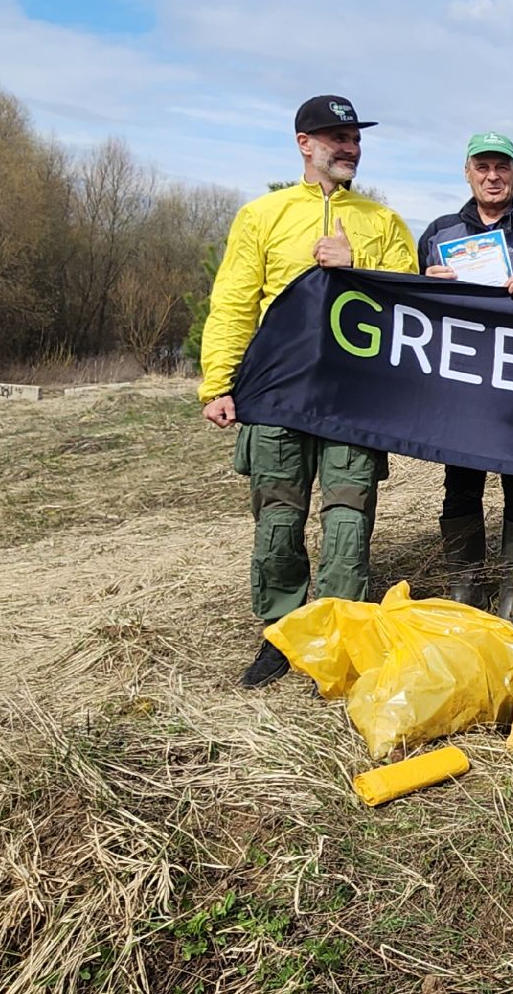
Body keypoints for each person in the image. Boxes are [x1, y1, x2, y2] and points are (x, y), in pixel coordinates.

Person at [200, 95, 418, 688]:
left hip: (354, 398)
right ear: (304, 144)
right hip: (276, 392)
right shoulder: (261, 216)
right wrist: (217, 383)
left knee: (349, 519)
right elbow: (234, 303)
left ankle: (340, 631)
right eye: (335, 136)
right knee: (277, 518)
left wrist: (355, 265)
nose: (348, 147)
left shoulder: (383, 221)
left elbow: (411, 305)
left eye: (354, 137)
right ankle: (282, 632)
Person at [416, 131, 513, 622]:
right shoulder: (440, 233)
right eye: (482, 166)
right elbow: (410, 307)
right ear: (467, 172)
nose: (492, 176)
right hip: (461, 385)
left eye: (502, 166)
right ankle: (466, 589)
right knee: (460, 482)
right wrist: (426, 284)